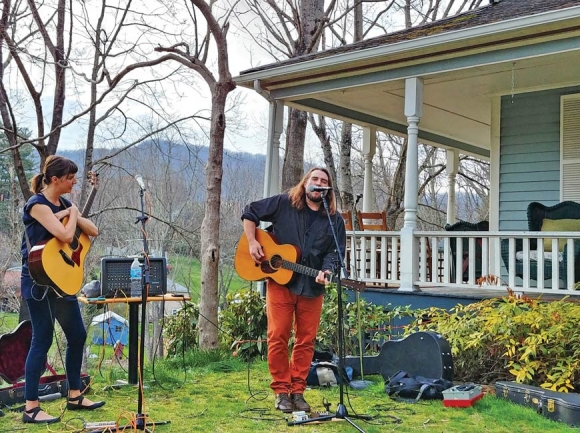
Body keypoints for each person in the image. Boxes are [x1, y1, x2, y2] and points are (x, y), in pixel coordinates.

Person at [241, 167, 346, 413]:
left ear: (328, 189)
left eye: (324, 181)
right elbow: (250, 212)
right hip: (280, 283)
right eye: (315, 179)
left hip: (311, 286)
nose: (318, 184)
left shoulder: (334, 219)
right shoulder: (284, 203)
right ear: (306, 182)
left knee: (306, 340)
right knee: (277, 336)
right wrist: (252, 241)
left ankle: (297, 391)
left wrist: (327, 271)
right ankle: (281, 391)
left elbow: (335, 253)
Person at [20, 155, 105, 424]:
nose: (75, 181)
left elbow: (93, 230)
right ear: (55, 179)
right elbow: (66, 236)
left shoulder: (65, 203)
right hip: (39, 280)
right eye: (70, 177)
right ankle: (31, 407)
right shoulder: (37, 205)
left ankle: (75, 394)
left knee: (77, 335)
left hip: (62, 279)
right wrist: (72, 216)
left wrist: (74, 212)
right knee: (42, 339)